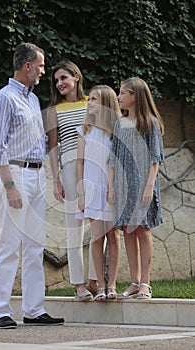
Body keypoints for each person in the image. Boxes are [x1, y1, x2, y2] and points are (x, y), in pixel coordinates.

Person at [0, 42, 64, 328]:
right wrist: (10, 186)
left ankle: (34, 309)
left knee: (35, 245)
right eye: (42, 66)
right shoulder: (5, 98)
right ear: (27, 66)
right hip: (15, 174)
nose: (44, 72)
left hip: (37, 175)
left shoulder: (33, 100)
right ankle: (1, 311)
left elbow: (41, 144)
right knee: (9, 243)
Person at [107, 77, 164, 299]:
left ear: (135, 96)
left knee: (143, 230)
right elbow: (113, 159)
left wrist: (149, 186)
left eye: (122, 93)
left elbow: (155, 159)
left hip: (142, 185)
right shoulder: (119, 124)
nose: (119, 97)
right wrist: (111, 187)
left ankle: (145, 284)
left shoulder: (149, 123)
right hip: (123, 186)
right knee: (129, 231)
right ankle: (133, 281)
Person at [47, 60, 97, 301]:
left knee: (99, 225)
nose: (60, 84)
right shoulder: (53, 111)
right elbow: (53, 147)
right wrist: (56, 179)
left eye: (64, 78)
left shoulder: (92, 103)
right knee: (74, 227)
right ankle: (78, 285)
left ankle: (96, 281)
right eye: (56, 80)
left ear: (76, 76)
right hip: (68, 167)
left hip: (95, 167)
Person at [76, 85, 121, 301]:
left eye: (94, 99)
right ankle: (100, 286)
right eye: (89, 98)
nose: (89, 102)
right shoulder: (84, 130)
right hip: (92, 188)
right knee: (96, 236)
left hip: (111, 190)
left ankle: (112, 284)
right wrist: (82, 192)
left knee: (113, 235)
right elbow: (80, 163)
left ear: (106, 104)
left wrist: (115, 188)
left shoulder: (117, 131)